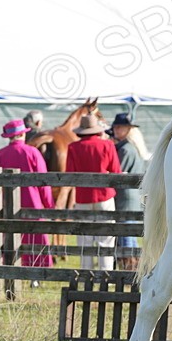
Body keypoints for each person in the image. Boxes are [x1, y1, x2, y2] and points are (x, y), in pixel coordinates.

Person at [0, 119, 54, 276]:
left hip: (8, 203)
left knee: (11, 237)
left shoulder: (0, 155)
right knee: (37, 238)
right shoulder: (33, 152)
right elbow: (43, 181)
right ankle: (38, 273)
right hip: (32, 202)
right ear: (22, 134)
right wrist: (49, 204)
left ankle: (11, 268)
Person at [65, 113, 121, 270]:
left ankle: (85, 276)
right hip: (105, 197)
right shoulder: (108, 145)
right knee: (106, 239)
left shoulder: (73, 147)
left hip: (83, 198)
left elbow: (69, 174)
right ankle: (106, 276)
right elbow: (116, 171)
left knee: (85, 240)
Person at [107, 112, 147, 272]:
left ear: (127, 129)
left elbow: (117, 173)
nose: (116, 129)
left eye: (120, 127)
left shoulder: (125, 149)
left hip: (125, 198)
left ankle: (130, 269)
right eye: (116, 126)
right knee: (128, 234)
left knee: (126, 235)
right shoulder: (131, 147)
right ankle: (132, 268)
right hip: (131, 197)